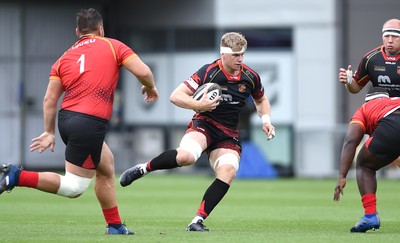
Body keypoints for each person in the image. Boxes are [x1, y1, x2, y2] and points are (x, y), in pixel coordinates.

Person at [0, 8, 159, 235]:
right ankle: (17, 176)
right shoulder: (114, 45)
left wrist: (49, 132)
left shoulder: (64, 58)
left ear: (77, 32)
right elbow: (144, 72)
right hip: (89, 123)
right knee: (74, 187)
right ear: (101, 29)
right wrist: (151, 87)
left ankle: (114, 225)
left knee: (106, 165)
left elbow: (49, 99)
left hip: (67, 121)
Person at [119, 32, 275, 231]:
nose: (240, 59)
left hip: (228, 134)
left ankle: (197, 221)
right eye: (236, 55)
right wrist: (198, 104)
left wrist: (266, 120)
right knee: (186, 157)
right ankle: (143, 168)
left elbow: (261, 100)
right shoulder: (209, 72)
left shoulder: (250, 77)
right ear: (223, 54)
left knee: (228, 171)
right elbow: (176, 96)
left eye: (242, 54)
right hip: (205, 123)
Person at [333, 87, 400, 233]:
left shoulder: (365, 108)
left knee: (364, 165)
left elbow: (351, 141)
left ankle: (370, 215)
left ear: (368, 99)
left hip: (392, 126)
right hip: (393, 124)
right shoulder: (394, 100)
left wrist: (342, 176)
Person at [339, 18, 400, 96]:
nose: (390, 40)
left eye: (395, 36)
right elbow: (356, 87)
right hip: (380, 106)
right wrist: (348, 81)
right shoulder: (370, 58)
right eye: (387, 36)